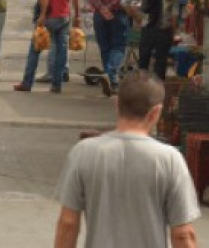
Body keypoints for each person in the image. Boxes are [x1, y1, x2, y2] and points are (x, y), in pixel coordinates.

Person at [53, 73, 200, 248]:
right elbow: (183, 235)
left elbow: (68, 223)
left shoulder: (83, 152)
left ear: (117, 105)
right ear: (156, 112)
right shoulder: (169, 159)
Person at [15, 0, 80, 93]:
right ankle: (57, 85)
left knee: (35, 49)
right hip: (64, 16)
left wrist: (42, 15)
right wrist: (77, 15)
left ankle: (27, 83)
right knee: (61, 51)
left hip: (50, 15)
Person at [83, 0, 132, 96]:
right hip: (117, 12)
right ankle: (111, 74)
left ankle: (110, 78)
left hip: (99, 14)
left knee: (104, 46)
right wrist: (111, 5)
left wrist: (102, 7)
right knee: (118, 45)